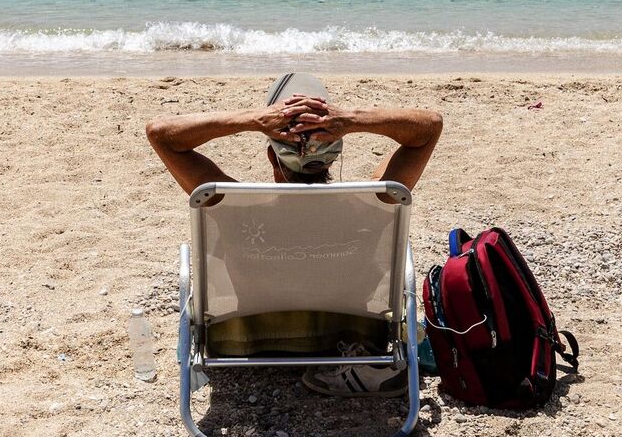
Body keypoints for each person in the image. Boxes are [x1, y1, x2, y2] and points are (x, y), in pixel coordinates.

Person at [147, 74, 443, 396]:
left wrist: (254, 120)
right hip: (345, 339)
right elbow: (429, 127)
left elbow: (160, 133)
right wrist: (349, 119)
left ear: (271, 156)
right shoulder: (370, 205)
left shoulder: (233, 207)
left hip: (246, 343)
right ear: (334, 157)